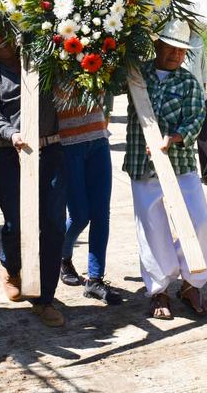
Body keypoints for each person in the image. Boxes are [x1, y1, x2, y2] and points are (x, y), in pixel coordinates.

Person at [0, 27, 67, 327]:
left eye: (4, 32)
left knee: (52, 224)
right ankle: (12, 267)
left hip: (51, 151)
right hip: (11, 155)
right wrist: (12, 134)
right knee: (15, 221)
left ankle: (44, 299)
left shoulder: (41, 59)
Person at [123, 19, 207, 320]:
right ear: (158, 46)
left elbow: (196, 119)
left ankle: (192, 283)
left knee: (199, 220)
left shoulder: (188, 83)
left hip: (180, 163)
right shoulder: (136, 74)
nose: (175, 55)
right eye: (170, 48)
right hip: (142, 162)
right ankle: (158, 290)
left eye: (180, 51)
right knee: (152, 228)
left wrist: (172, 139)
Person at [57, 89, 122, 305]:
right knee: (79, 216)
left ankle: (95, 279)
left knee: (102, 214)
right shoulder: (51, 60)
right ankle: (62, 256)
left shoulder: (100, 55)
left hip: (98, 138)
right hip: (68, 145)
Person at [183, 30, 207, 186]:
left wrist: (204, 93)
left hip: (199, 95)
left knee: (205, 133)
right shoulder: (170, 37)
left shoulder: (197, 40)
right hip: (178, 95)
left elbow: (203, 67)